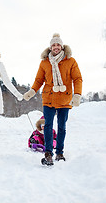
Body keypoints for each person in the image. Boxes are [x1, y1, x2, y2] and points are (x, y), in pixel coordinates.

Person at [23, 33, 82, 165]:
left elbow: (77, 79)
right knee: (47, 126)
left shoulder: (70, 61)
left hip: (64, 99)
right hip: (48, 98)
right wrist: (32, 91)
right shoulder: (44, 62)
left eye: (58, 44)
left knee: (62, 126)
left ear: (62, 46)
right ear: (50, 47)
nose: (56, 47)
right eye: (53, 45)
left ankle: (59, 153)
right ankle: (48, 153)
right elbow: (39, 80)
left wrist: (77, 95)